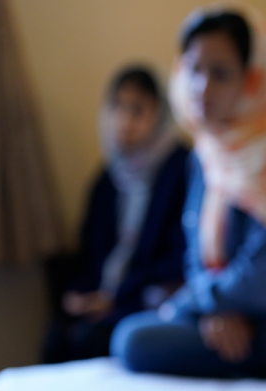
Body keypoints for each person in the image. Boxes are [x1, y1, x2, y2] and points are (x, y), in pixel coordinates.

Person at [110, 6, 266, 379]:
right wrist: (213, 311)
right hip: (234, 314)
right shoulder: (210, 148)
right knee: (128, 333)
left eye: (221, 74)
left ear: (252, 77)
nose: (203, 87)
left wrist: (192, 305)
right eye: (195, 70)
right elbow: (195, 250)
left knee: (131, 340)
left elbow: (264, 279)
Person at [43, 66, 189, 364]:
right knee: (56, 340)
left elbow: (179, 256)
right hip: (104, 297)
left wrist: (117, 296)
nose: (124, 121)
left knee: (90, 340)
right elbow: (88, 253)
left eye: (137, 110)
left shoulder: (180, 169)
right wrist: (81, 293)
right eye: (117, 107)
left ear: (158, 114)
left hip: (144, 298)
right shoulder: (108, 178)